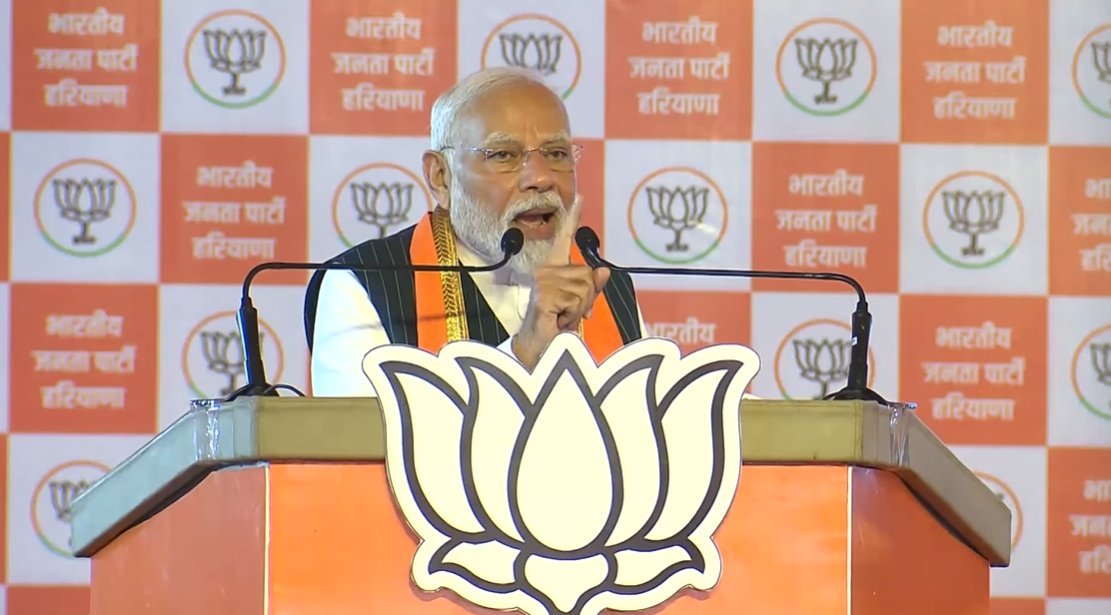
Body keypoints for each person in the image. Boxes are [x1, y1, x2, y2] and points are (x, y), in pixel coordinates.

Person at [306, 67, 644, 396]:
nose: (540, 178)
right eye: (503, 155)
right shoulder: (364, 282)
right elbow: (369, 444)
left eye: (556, 153)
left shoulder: (608, 286)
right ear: (441, 176)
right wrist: (523, 351)